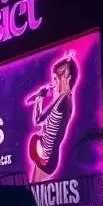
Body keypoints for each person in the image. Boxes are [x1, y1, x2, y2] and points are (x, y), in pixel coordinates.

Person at [28, 52, 78, 183]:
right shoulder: (60, 100)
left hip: (47, 158)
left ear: (66, 78)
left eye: (55, 79)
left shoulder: (66, 102)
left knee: (36, 190)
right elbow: (38, 120)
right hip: (42, 153)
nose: (53, 83)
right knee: (34, 188)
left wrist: (69, 61)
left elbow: (58, 134)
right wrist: (39, 98)